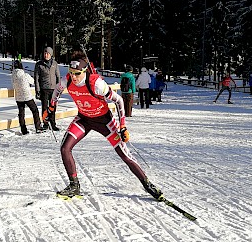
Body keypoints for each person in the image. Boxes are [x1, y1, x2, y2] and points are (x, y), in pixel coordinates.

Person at [42, 50, 163, 201]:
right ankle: (74, 186)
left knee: (124, 154)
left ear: (85, 71)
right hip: (84, 119)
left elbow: (118, 100)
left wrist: (123, 126)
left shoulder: (96, 84)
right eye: (71, 72)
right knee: (65, 148)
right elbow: (56, 92)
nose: (73, 76)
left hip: (104, 121)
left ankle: (147, 184)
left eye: (77, 73)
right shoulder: (67, 81)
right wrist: (51, 108)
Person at [12, 60, 44, 135]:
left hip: (18, 97)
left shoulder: (13, 75)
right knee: (35, 111)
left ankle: (24, 130)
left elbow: (13, 85)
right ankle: (38, 127)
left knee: (21, 113)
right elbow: (33, 82)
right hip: (27, 96)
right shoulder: (25, 75)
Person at [34, 46, 61, 131]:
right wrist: (37, 90)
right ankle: (46, 123)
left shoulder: (55, 64)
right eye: (45, 53)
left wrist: (59, 88)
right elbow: (36, 78)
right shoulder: (39, 64)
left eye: (48, 53)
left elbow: (58, 76)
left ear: (51, 54)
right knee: (45, 107)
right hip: (44, 89)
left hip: (53, 89)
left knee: (53, 107)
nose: (46, 55)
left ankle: (53, 123)